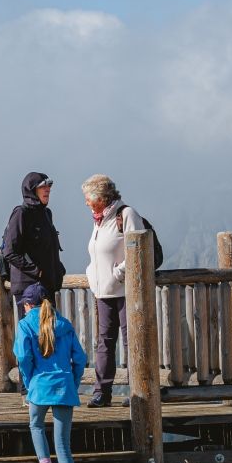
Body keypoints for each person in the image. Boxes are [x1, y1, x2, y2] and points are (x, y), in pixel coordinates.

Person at [15, 282, 87, 463]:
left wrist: (28, 382)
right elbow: (80, 358)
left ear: (27, 305)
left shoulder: (25, 324)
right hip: (64, 387)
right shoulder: (65, 325)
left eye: (23, 306)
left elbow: (24, 357)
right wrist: (72, 383)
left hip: (39, 386)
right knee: (64, 446)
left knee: (35, 425)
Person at [80, 174, 147, 408]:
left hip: (127, 291)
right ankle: (102, 392)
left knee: (132, 342)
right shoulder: (98, 220)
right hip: (103, 292)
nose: (86, 202)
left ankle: (138, 389)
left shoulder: (126, 215)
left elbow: (138, 249)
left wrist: (118, 274)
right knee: (104, 343)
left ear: (100, 196)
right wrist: (92, 275)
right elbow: (97, 255)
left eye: (88, 197)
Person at [0, 171, 65, 299]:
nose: (47, 190)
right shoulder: (21, 213)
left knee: (50, 320)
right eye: (42, 186)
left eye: (49, 186)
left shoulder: (47, 213)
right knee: (32, 320)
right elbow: (9, 252)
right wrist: (36, 271)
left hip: (47, 286)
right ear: (31, 190)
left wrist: (58, 269)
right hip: (28, 289)